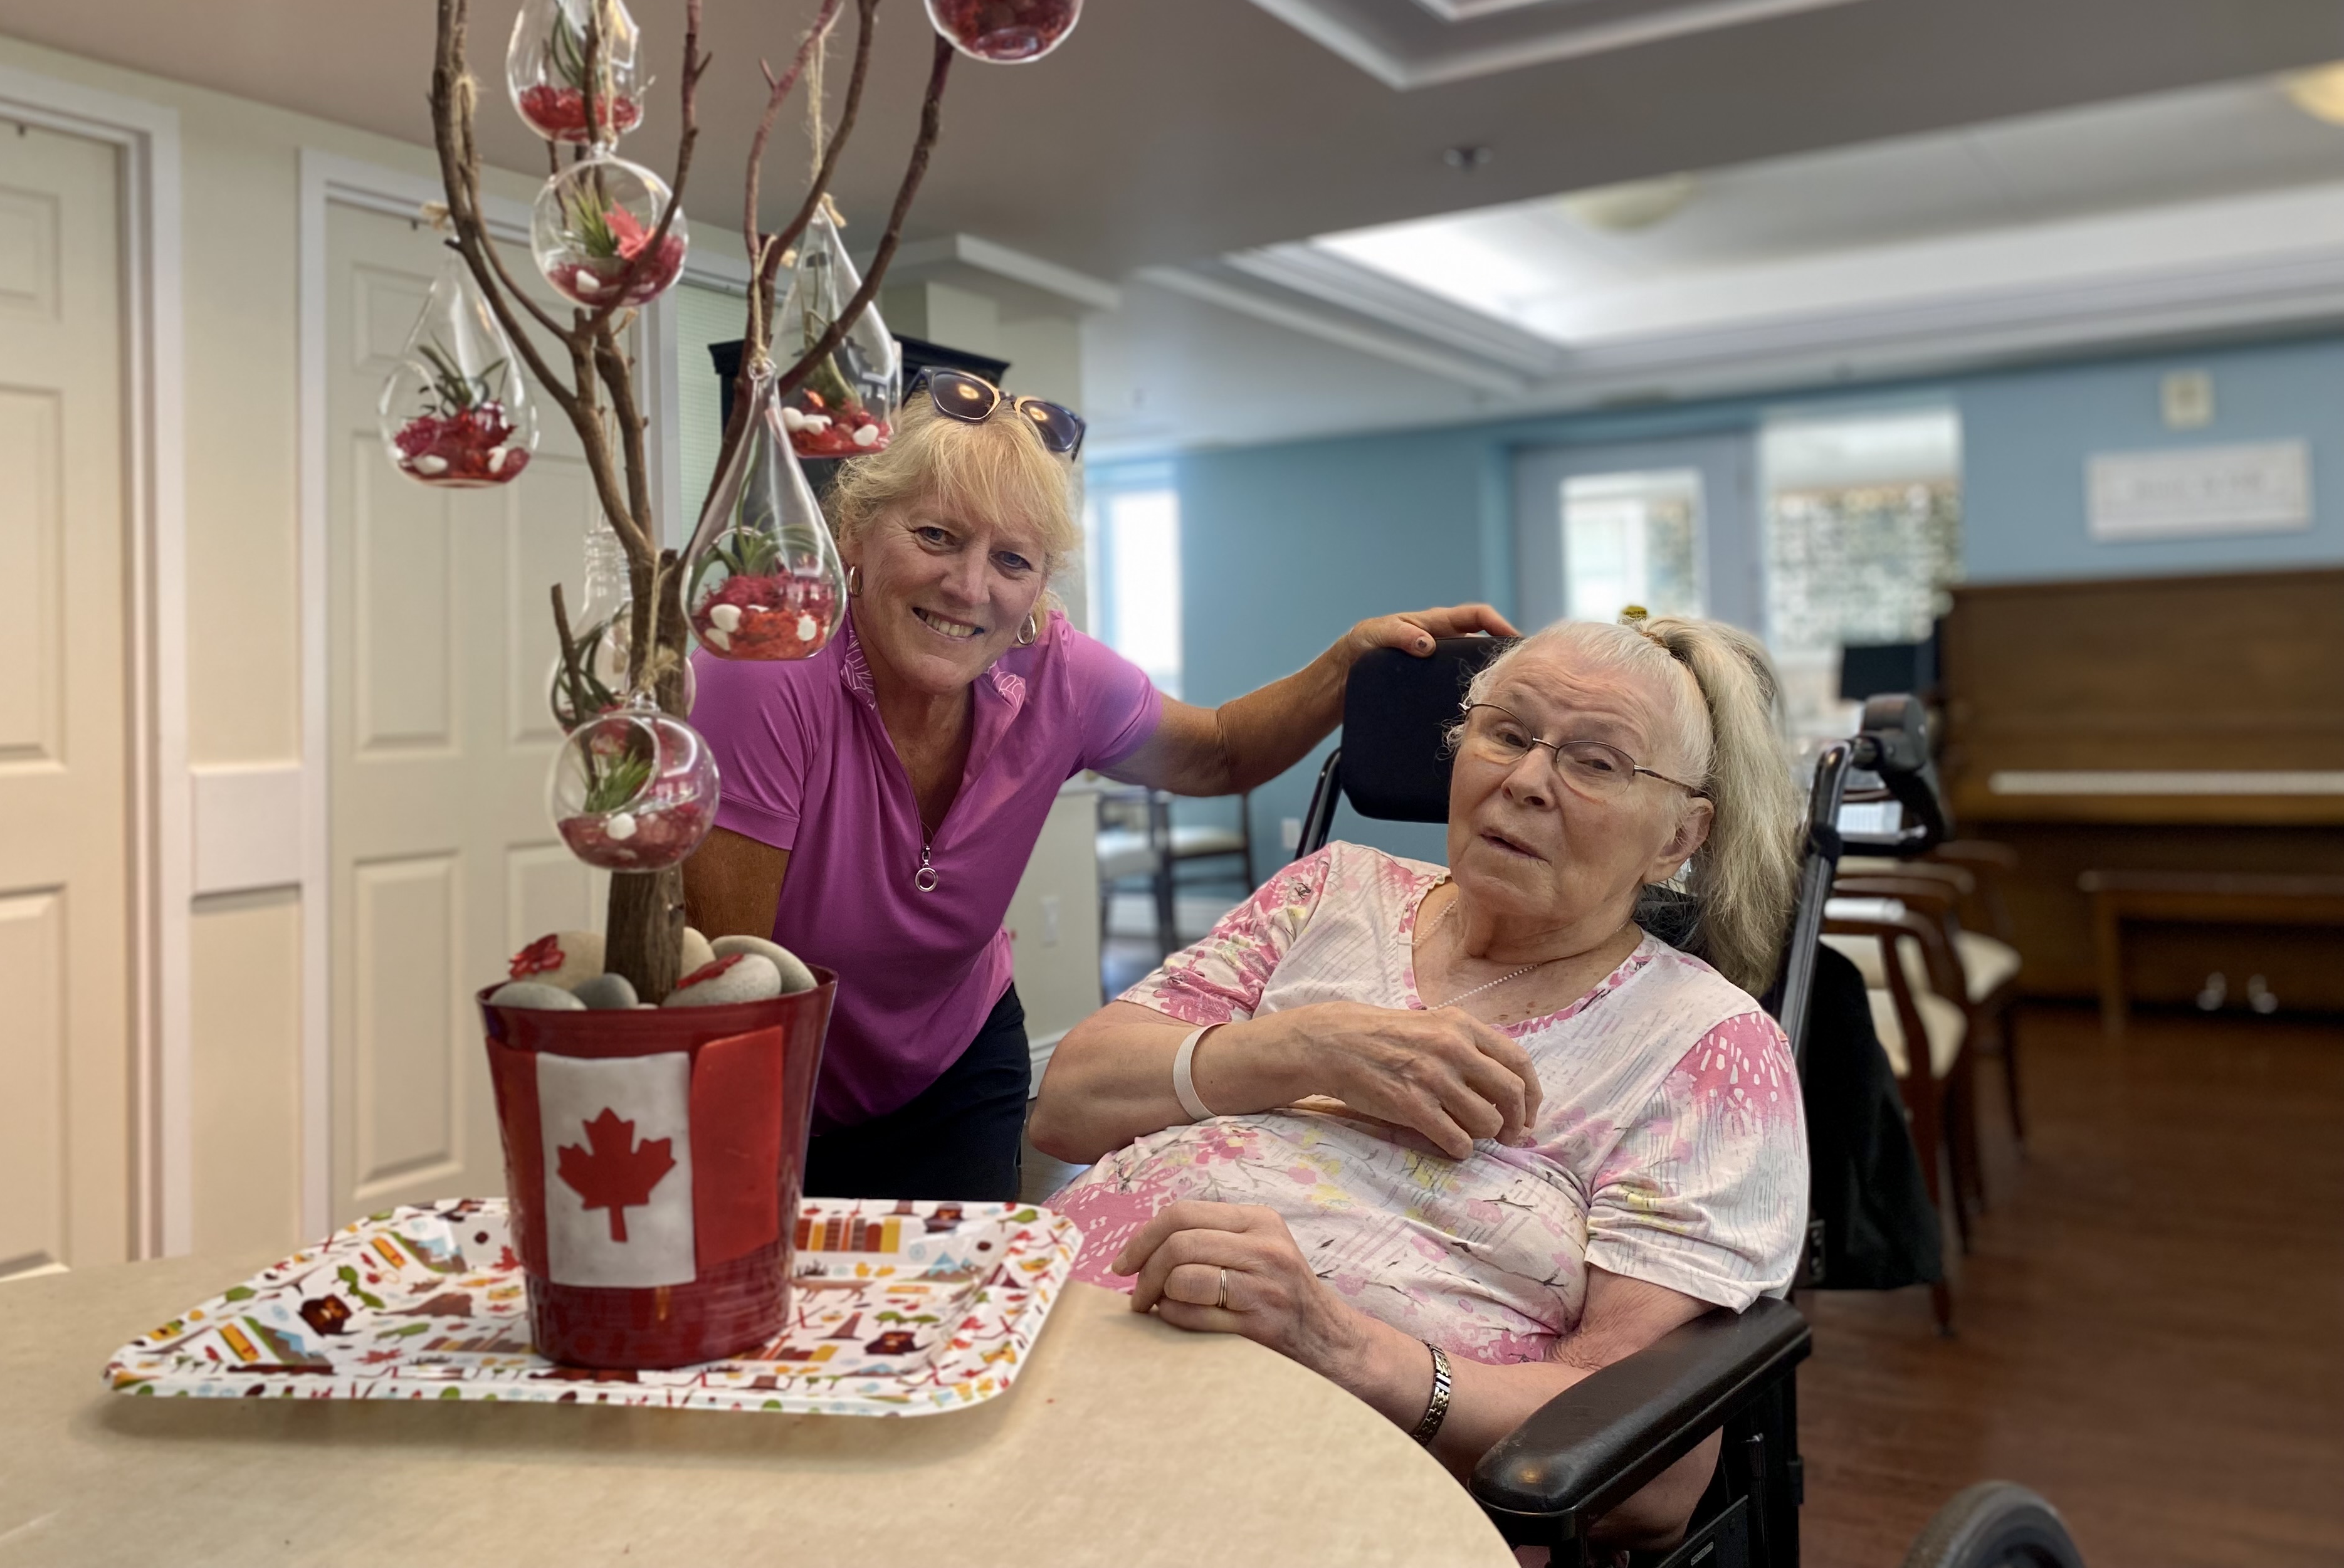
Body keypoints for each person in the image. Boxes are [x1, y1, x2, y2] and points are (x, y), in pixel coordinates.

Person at [1029, 613, 1807, 1545]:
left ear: (1681, 834)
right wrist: (1311, 1049)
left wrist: (1344, 1345)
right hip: (1045, 1360)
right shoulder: (1327, 893)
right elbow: (1068, 1107)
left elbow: (1647, 1477)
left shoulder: (1706, 1046)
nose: (1523, 782)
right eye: (1507, 734)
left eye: (1596, 763)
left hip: (1315, 1471)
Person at [685, 369, 1511, 1203]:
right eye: (936, 536)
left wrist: (1347, 666)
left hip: (953, 1064)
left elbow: (1218, 753)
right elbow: (737, 990)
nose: (970, 587)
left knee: (956, 1317)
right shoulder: (765, 673)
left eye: (1012, 560)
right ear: (856, 534)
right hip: (765, 1072)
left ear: (1038, 590)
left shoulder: (1060, 678)